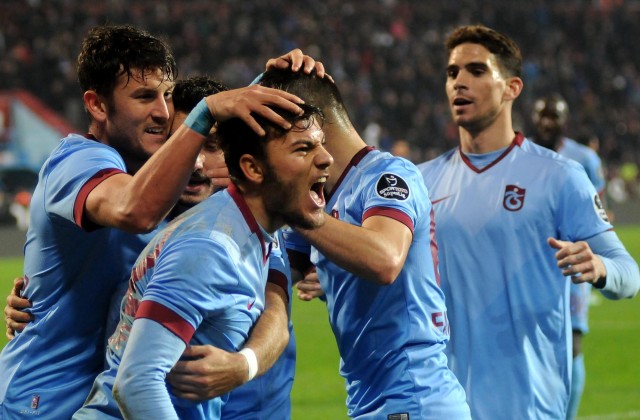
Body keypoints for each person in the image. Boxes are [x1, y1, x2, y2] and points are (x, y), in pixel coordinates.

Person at [0, 24, 312, 419]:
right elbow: (135, 209)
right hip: (43, 404)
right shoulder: (78, 162)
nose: (162, 112)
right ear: (97, 105)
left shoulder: (193, 200)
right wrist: (207, 111)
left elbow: (275, 304)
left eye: (167, 95)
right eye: (144, 96)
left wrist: (272, 80)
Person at [417, 24, 640, 419]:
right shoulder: (421, 182)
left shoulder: (559, 177)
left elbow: (630, 275)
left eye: (476, 71)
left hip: (527, 405)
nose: (459, 82)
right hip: (443, 405)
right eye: (452, 73)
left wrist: (599, 267)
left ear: (512, 88)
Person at [73, 101, 331, 419]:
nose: (326, 158)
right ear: (253, 169)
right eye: (303, 149)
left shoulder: (249, 227)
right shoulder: (210, 249)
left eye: (321, 144)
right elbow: (136, 383)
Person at [260, 68, 471, 419]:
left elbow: (384, 259)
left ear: (309, 126)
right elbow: (266, 277)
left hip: (412, 396)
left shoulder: (387, 177)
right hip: (374, 400)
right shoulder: (316, 197)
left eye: (272, 135)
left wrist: (293, 211)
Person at [532, 93, 607, 419]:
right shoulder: (520, 157)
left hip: (572, 265)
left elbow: (600, 209)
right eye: (543, 116)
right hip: (530, 265)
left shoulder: (584, 158)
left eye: (554, 116)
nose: (548, 122)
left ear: (565, 121)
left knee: (573, 344)